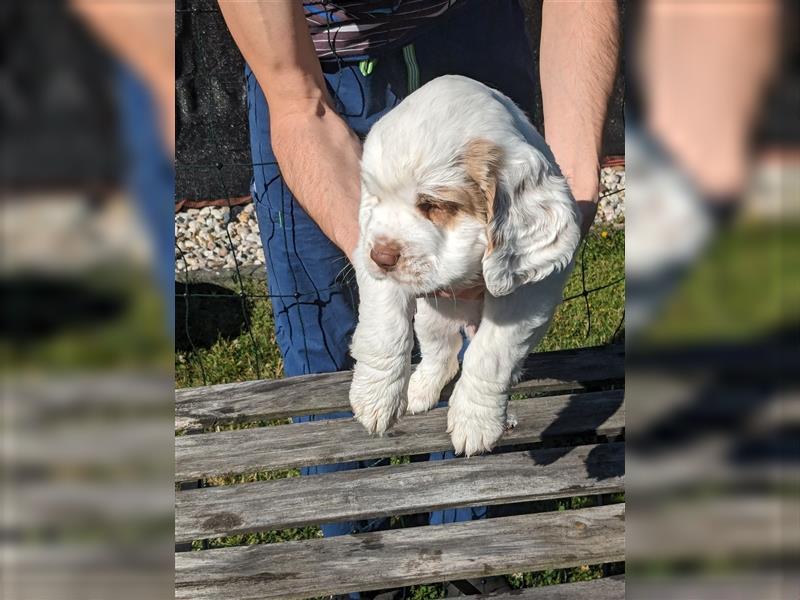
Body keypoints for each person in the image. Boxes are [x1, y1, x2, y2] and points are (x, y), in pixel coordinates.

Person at [218, 0, 619, 578]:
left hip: (474, 34)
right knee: (328, 361)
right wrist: (384, 348)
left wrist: (569, 189)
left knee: (479, 388)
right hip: (318, 65)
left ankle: (468, 563)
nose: (386, 242)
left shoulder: (497, 162)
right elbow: (296, 100)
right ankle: (354, 570)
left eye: (432, 205)